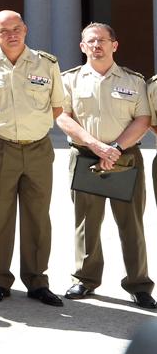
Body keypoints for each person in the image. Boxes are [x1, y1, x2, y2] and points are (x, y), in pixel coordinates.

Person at [0, 9, 66, 306]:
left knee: (37, 216)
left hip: (37, 147)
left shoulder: (47, 64)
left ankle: (37, 281)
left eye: (17, 28)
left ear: (26, 29)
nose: (12, 34)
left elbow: (57, 107)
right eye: (4, 30)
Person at [58, 23, 153, 308]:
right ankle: (85, 280)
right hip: (86, 156)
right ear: (82, 47)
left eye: (102, 40)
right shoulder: (70, 80)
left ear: (115, 45)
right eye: (90, 41)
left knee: (131, 224)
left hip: (124, 157)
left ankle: (139, 285)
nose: (96, 45)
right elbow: (62, 116)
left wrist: (115, 148)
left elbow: (143, 119)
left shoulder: (134, 80)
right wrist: (95, 145)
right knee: (86, 223)